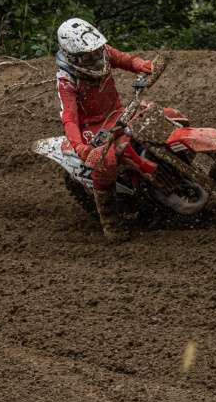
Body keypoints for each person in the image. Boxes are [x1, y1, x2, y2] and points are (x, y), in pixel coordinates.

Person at [54, 18, 158, 240]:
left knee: (162, 115)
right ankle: (111, 223)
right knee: (105, 161)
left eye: (96, 51)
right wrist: (80, 147)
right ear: (73, 56)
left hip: (117, 112)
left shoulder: (102, 51)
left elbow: (126, 59)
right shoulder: (66, 79)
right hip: (92, 127)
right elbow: (69, 118)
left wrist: (142, 65)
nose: (95, 57)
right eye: (88, 56)